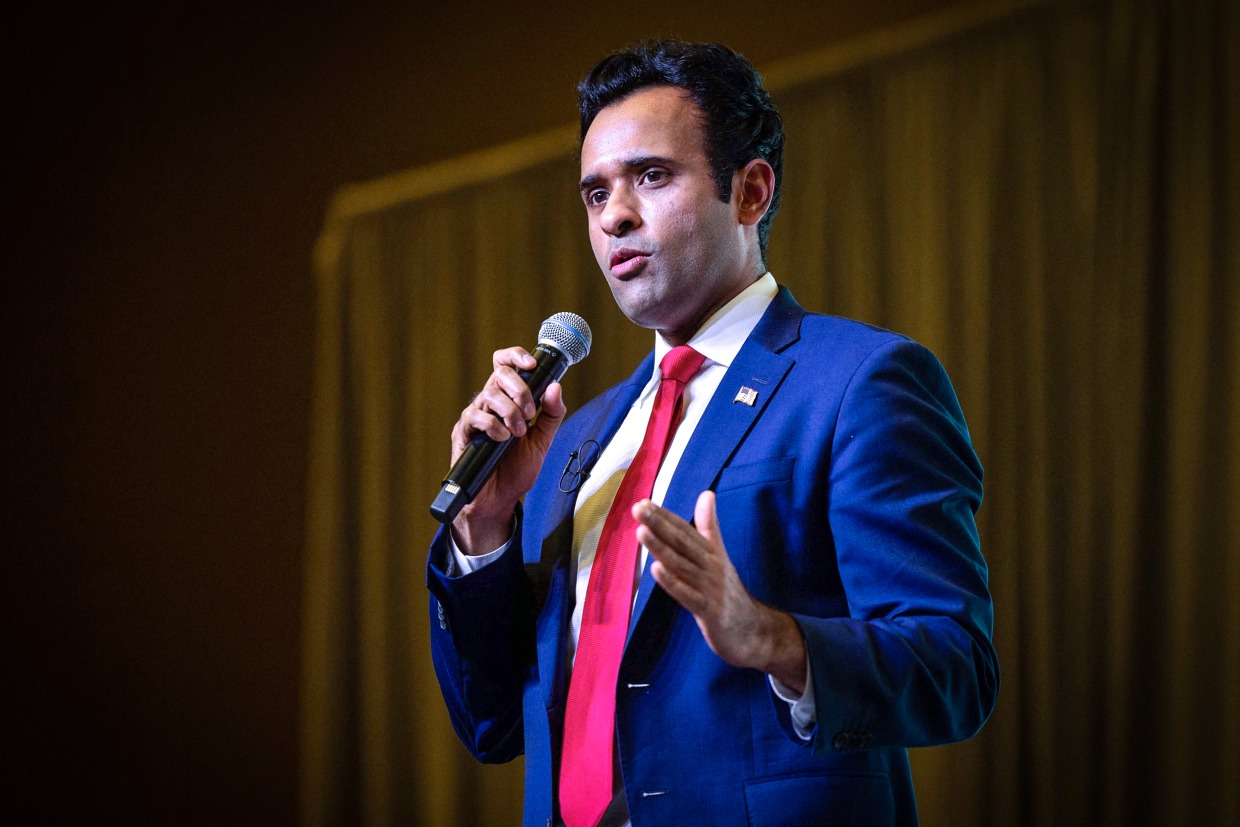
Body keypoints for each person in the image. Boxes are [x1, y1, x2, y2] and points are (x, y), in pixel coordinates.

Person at [427, 40, 997, 827]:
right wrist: (484, 530)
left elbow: (956, 670)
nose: (615, 214)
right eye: (595, 195)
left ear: (752, 190)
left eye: (652, 176)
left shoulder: (862, 380)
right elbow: (492, 723)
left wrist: (774, 639)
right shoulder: (577, 436)